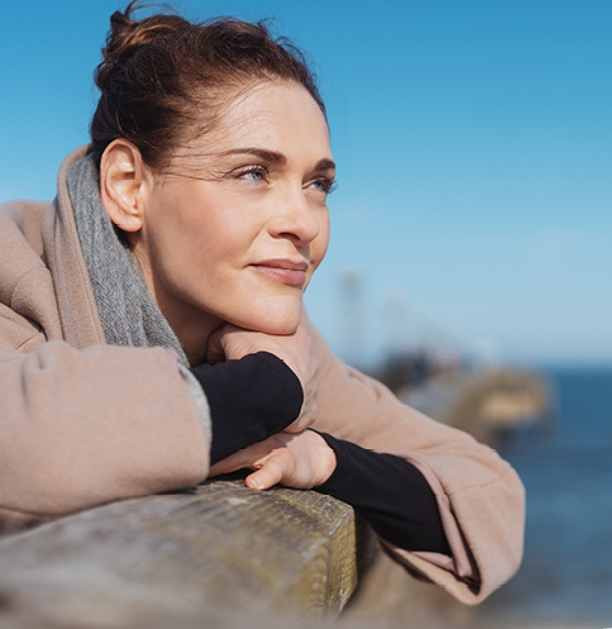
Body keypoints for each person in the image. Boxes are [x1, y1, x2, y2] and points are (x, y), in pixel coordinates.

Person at [0, 2, 523, 605]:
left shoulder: (273, 342)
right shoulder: (17, 271)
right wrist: (269, 392)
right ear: (128, 186)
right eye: (252, 173)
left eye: (317, 184)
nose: (303, 222)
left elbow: (490, 494)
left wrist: (330, 461)